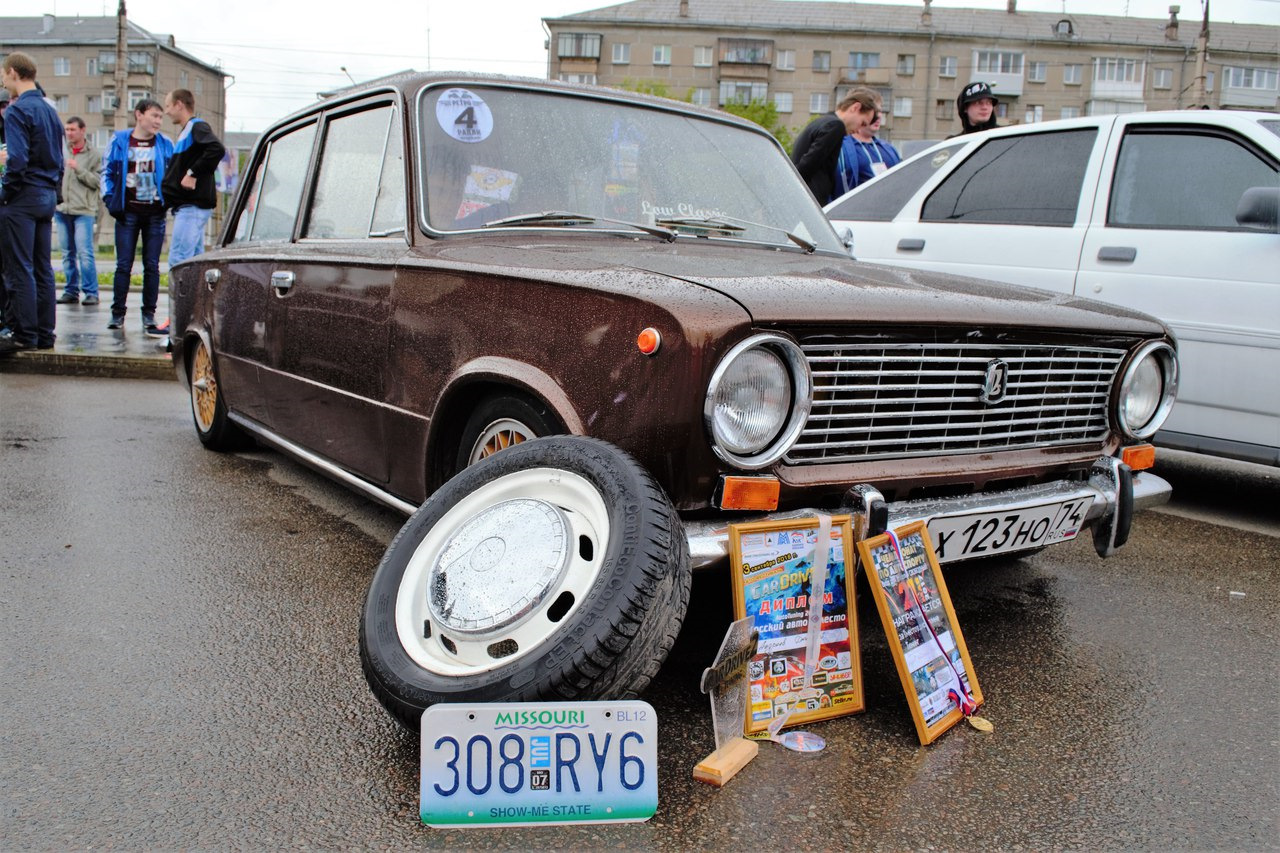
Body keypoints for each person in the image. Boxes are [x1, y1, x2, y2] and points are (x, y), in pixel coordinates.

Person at [0, 52, 64, 354]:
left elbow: (17, 160)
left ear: (13, 73)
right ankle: (44, 334)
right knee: (42, 267)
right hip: (46, 195)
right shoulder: (50, 110)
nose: (3, 82)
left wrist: (5, 194)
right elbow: (60, 158)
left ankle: (24, 334)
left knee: (19, 267)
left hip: (23, 197)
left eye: (3, 75)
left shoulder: (16, 111)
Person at [101, 98, 172, 335]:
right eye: (154, 116)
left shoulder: (164, 143)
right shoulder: (120, 140)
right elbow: (107, 171)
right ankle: (117, 314)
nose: (158, 122)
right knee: (123, 265)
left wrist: (169, 201)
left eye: (161, 117)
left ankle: (148, 315)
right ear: (139, 114)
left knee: (151, 266)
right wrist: (109, 199)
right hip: (127, 212)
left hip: (155, 214)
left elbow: (172, 174)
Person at [161, 88, 224, 267]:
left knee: (179, 261)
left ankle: (180, 296)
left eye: (168, 106)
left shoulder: (197, 126)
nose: (166, 111)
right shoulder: (187, 130)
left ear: (179, 104)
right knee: (194, 262)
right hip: (189, 207)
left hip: (192, 207)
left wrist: (192, 173)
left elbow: (217, 149)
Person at [790, 87, 879, 204]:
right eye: (862, 123)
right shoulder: (835, 126)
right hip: (809, 200)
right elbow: (807, 165)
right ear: (855, 108)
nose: (858, 130)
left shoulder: (823, 121)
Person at [55, 116, 102, 305]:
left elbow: (98, 181)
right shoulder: (61, 151)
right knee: (67, 253)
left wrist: (79, 169)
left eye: (73, 129)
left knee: (85, 252)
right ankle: (70, 290)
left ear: (83, 130)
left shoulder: (94, 154)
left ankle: (91, 292)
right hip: (62, 209)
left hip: (84, 210)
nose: (69, 133)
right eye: (67, 129)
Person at [834, 110, 901, 198]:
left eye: (880, 111)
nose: (879, 116)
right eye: (874, 111)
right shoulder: (841, 146)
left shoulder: (889, 148)